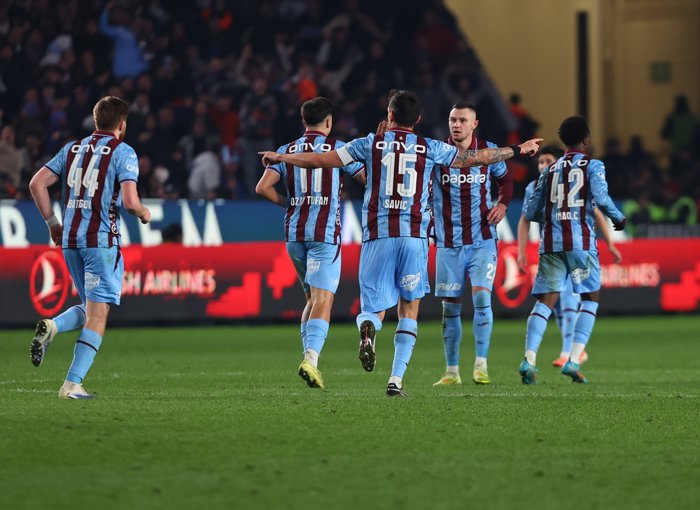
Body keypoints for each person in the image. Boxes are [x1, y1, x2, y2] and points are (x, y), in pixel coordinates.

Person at [261, 90, 542, 396]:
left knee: (372, 308)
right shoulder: (430, 147)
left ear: (390, 115)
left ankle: (368, 328)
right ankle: (395, 380)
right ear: (418, 119)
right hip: (414, 236)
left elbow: (318, 159)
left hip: (377, 236)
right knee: (409, 308)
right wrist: (518, 148)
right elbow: (478, 158)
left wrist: (283, 157)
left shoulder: (369, 143)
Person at [28, 96, 151, 399]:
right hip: (100, 242)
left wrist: (53, 224)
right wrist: (144, 213)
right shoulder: (123, 151)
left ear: (96, 120)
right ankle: (72, 383)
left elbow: (36, 184)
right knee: (98, 315)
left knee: (91, 308)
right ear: (122, 124)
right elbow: (130, 201)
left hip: (70, 240)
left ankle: (54, 326)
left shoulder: (72, 148)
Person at [255, 97, 365, 390]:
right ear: (329, 122)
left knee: (311, 300)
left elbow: (262, 188)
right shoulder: (338, 149)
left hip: (294, 235)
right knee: (323, 299)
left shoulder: (285, 151)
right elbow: (366, 178)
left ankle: (309, 358)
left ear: (303, 121)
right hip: (324, 235)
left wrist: (288, 203)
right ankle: (311, 360)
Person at [520, 116, 625, 384]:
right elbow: (601, 199)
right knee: (590, 298)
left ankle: (528, 360)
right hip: (581, 244)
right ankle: (573, 360)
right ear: (586, 139)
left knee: (544, 303)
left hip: (550, 244)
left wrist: (554, 216)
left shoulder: (549, 171)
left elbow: (531, 212)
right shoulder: (593, 165)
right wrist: (618, 218)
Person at [431, 103, 513, 387]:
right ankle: (451, 371)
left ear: (474, 124)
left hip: (482, 238)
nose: (456, 125)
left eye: (462, 120)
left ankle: (481, 365)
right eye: (452, 119)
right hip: (448, 242)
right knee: (450, 308)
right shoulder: (438, 152)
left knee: (481, 299)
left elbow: (506, 181)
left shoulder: (488, 151)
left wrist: (503, 203)